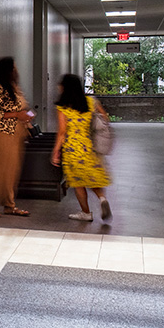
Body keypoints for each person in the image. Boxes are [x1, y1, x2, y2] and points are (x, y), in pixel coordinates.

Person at [51, 73, 113, 222]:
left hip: (72, 149)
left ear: (65, 87)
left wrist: (55, 152)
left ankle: (86, 213)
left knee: (78, 182)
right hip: (89, 146)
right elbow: (105, 119)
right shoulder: (91, 102)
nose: (58, 87)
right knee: (92, 178)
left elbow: (62, 132)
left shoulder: (63, 107)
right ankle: (102, 199)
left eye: (61, 85)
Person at [0, 57, 33, 217]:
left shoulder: (13, 87)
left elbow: (24, 108)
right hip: (0, 134)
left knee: (12, 171)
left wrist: (28, 115)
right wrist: (17, 114)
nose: (16, 70)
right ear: (8, 70)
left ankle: (9, 205)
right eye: (14, 67)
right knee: (0, 170)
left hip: (15, 133)